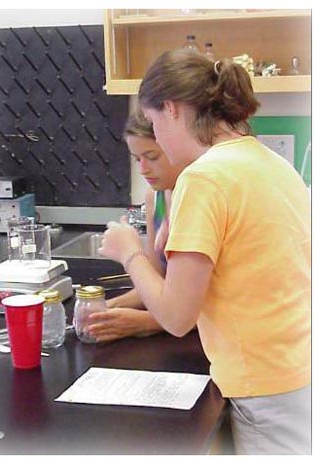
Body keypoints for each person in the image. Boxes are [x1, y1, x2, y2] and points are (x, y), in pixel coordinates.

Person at [98, 49, 311, 455]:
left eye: (156, 125)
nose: (157, 138)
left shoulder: (204, 176)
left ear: (172, 110)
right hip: (296, 369)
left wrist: (130, 254)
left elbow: (177, 316)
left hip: (262, 386)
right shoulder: (271, 162)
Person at [87, 110, 189, 343]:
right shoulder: (156, 198)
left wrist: (144, 323)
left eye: (152, 157)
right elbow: (156, 283)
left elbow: (214, 306)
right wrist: (104, 309)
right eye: (137, 158)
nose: (143, 169)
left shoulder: (199, 200)